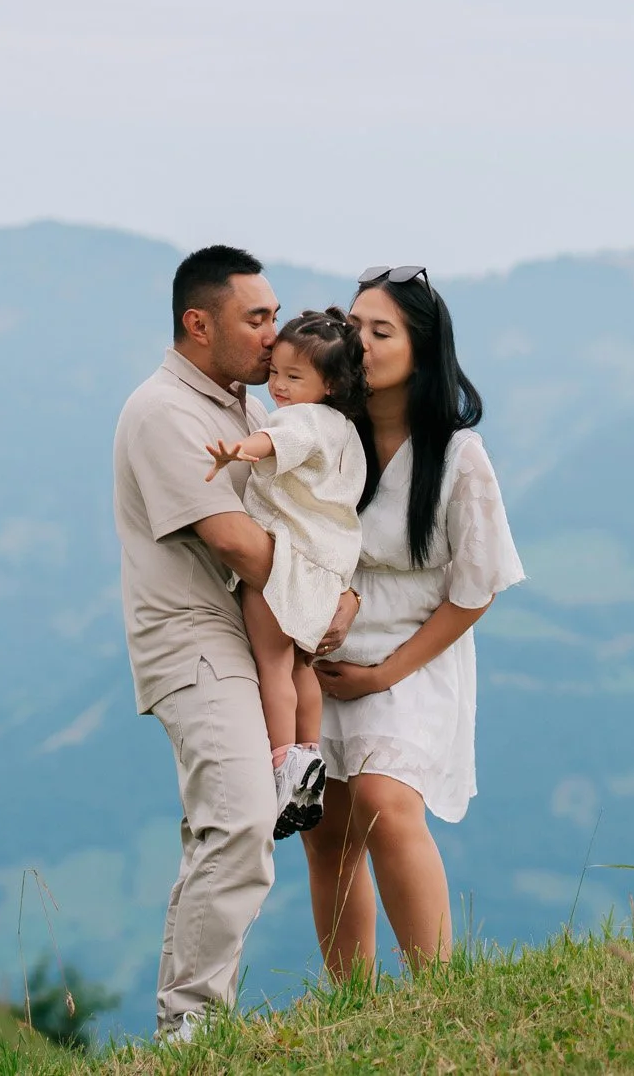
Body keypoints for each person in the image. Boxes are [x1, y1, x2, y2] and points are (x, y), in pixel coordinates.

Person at [111, 245, 360, 1039]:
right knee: (243, 819)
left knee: (231, 823)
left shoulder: (247, 410)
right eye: (255, 318)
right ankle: (190, 1024)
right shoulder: (164, 412)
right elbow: (235, 543)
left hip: (251, 635)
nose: (272, 334)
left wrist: (340, 593)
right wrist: (325, 600)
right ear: (197, 322)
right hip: (193, 641)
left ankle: (188, 1022)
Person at [300, 265, 526, 979]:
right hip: (320, 655)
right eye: (354, 327)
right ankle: (353, 1006)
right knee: (327, 833)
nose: (360, 341)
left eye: (381, 330)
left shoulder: (459, 457)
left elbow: (478, 584)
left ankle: (439, 988)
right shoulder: (329, 436)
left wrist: (384, 673)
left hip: (412, 656)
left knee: (384, 799)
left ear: (421, 351)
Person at [203, 309, 377, 840]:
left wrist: (239, 448)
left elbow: (276, 443)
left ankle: (281, 768)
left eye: (293, 377)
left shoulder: (301, 420)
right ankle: (307, 758)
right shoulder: (347, 432)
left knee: (272, 666)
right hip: (327, 572)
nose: (278, 385)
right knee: (301, 668)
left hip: (287, 567)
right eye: (275, 371)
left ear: (330, 384)